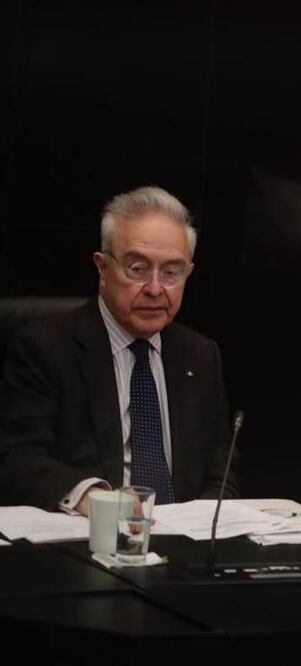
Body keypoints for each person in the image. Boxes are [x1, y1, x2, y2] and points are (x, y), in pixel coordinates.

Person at [0, 186, 237, 514]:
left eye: (171, 272)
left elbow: (222, 471)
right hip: (87, 539)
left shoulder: (200, 355)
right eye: (137, 269)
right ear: (102, 268)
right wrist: (92, 498)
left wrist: (198, 529)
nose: (155, 289)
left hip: (183, 546)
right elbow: (17, 458)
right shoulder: (44, 348)